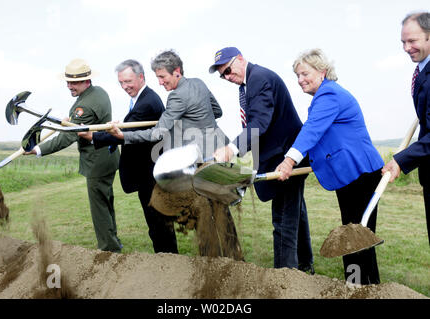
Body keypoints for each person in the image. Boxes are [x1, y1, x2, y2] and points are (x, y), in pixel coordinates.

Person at [106, 50, 244, 260]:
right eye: (158, 77)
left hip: (200, 161)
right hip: (219, 153)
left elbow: (157, 132)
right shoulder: (198, 83)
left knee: (203, 214)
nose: (160, 82)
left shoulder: (177, 96)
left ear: (177, 72)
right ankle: (236, 259)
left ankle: (212, 264)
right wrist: (195, 119)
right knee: (221, 210)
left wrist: (122, 136)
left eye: (163, 77)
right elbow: (217, 111)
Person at [275, 49, 384, 285]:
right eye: (297, 75)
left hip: (361, 173)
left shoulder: (329, 95)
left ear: (322, 72)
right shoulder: (323, 97)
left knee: (357, 237)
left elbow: (312, 130)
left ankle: (361, 287)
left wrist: (289, 160)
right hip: (349, 176)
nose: (300, 80)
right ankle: (359, 286)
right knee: (354, 235)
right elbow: (319, 137)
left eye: (305, 73)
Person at [209, 47, 314, 273]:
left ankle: (285, 277)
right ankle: (305, 266)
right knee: (296, 213)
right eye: (222, 75)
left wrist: (232, 148)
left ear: (240, 59)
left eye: (228, 70)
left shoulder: (259, 79)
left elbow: (258, 123)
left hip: (285, 158)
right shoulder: (248, 84)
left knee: (284, 220)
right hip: (278, 155)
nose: (227, 77)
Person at [78, 59, 178, 253]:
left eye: (128, 81)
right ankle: (166, 262)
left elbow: (124, 135)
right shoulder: (141, 99)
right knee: (156, 225)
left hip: (152, 175)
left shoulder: (147, 102)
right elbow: (127, 127)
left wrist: (92, 136)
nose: (125, 87)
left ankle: (169, 264)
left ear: (141, 77)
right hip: (149, 174)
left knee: (159, 225)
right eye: (121, 83)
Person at [24, 58, 122, 253]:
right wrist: (69, 122)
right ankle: (113, 241)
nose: (70, 86)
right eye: (68, 82)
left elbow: (67, 138)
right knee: (106, 202)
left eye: (74, 82)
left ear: (86, 81)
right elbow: (75, 126)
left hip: (97, 161)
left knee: (99, 208)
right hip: (109, 157)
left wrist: (38, 150)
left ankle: (108, 250)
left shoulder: (83, 106)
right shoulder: (99, 92)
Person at [383, 12, 430, 245]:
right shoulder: (422, 71)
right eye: (403, 42)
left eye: (412, 41)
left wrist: (401, 159)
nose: (406, 48)